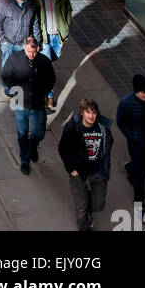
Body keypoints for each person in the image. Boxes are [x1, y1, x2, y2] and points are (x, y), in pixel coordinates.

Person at [58, 99, 114, 232]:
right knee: (81, 206)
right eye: (88, 112)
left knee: (99, 204)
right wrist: (71, 169)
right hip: (78, 172)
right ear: (82, 113)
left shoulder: (102, 128)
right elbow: (63, 148)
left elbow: (108, 144)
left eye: (94, 112)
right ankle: (84, 226)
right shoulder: (73, 128)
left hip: (97, 171)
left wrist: (104, 166)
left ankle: (88, 208)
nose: (91, 116)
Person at [2, 36, 56, 174]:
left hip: (37, 104)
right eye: (28, 52)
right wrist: (14, 91)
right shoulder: (14, 59)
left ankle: (33, 145)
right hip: (20, 104)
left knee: (39, 132)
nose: (31, 55)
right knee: (22, 134)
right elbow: (6, 74)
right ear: (24, 48)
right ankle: (24, 160)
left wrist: (43, 91)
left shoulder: (43, 61)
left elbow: (51, 78)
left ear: (37, 48)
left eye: (33, 52)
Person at [30, 0, 73, 109]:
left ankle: (43, 85)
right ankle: (48, 95)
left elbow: (68, 11)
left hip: (57, 36)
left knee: (52, 61)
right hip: (44, 37)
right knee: (46, 67)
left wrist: (66, 27)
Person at [0, 0, 42, 94]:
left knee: (22, 68)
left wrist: (37, 41)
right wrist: (2, 40)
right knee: (7, 67)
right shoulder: (4, 2)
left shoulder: (30, 4)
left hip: (23, 43)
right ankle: (8, 88)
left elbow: (35, 23)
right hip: (9, 42)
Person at [116, 73, 145, 206]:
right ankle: (139, 206)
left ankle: (130, 168)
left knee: (143, 169)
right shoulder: (126, 103)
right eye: (143, 92)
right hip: (137, 146)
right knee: (140, 180)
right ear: (136, 91)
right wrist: (131, 136)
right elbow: (121, 121)